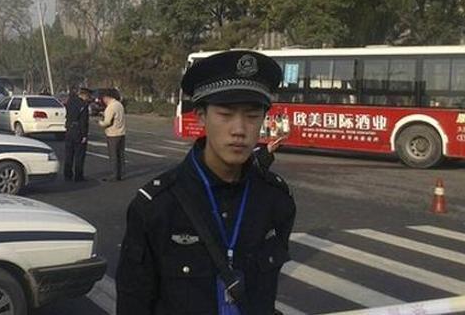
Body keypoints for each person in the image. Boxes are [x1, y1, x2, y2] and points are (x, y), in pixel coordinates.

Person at [116, 50, 296, 315]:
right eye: (225, 114)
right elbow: (134, 304)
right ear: (201, 116)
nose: (239, 129)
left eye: (252, 115)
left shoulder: (275, 200)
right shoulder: (157, 207)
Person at [63, 87, 92, 181]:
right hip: (78, 131)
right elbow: (84, 121)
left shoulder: (70, 102)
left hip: (69, 130)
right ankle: (78, 175)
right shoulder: (83, 105)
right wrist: (84, 135)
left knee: (69, 154)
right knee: (79, 155)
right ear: (85, 95)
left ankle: (67, 174)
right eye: (88, 96)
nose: (89, 98)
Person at [98, 88, 127, 181]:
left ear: (106, 97)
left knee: (113, 155)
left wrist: (99, 123)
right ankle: (120, 173)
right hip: (121, 133)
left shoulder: (110, 107)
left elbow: (107, 122)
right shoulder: (119, 105)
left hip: (113, 134)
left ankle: (114, 175)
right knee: (120, 155)